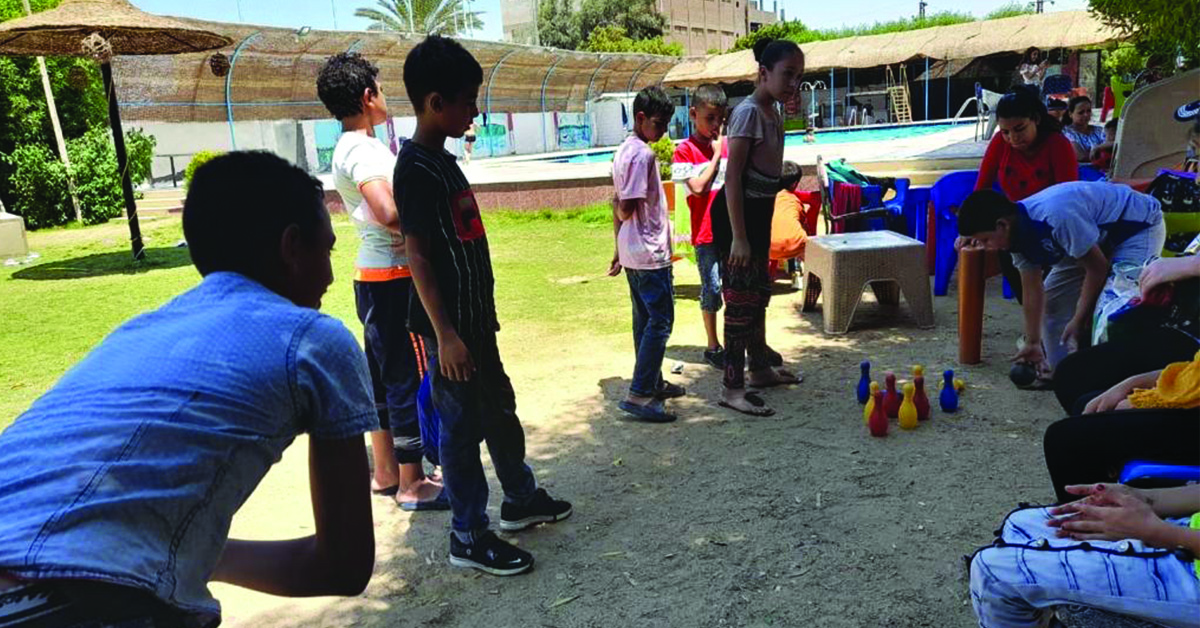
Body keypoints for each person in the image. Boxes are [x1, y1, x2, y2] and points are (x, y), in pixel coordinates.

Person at [0, 152, 377, 627]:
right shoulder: (312, 340)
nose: (328, 275)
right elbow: (342, 566)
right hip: (77, 604)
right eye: (328, 250)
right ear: (292, 246)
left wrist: (192, 553)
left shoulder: (137, 332)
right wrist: (204, 557)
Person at [395, 35, 571, 577]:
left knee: (499, 409)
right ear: (433, 102)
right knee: (461, 430)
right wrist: (445, 335)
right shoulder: (415, 170)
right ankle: (468, 534)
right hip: (449, 333)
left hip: (475, 324)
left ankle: (519, 498)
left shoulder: (443, 161)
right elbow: (418, 256)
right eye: (468, 100)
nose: (476, 110)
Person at [317, 52, 445, 511]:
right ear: (368, 96)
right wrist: (433, 223)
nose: (387, 97)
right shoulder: (363, 149)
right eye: (382, 89)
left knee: (383, 376)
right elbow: (388, 212)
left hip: (374, 277)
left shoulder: (350, 146)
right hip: (393, 278)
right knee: (405, 378)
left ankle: (386, 470)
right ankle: (413, 483)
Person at [957, 182, 1166, 378]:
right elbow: (1032, 290)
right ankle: (1061, 375)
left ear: (1002, 225)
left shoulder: (1056, 216)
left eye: (985, 240)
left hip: (1136, 228)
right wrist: (1033, 341)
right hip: (1091, 238)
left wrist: (1079, 319)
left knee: (1114, 308)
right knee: (1052, 304)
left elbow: (1097, 268)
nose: (987, 247)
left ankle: (1117, 379)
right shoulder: (1016, 236)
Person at [709, 38, 804, 417]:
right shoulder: (749, 112)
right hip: (738, 219)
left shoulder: (772, 111)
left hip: (758, 214)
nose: (794, 83)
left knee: (759, 295)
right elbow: (732, 179)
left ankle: (760, 369)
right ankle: (732, 388)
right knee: (740, 303)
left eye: (799, 76)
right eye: (787, 75)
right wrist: (741, 238)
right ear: (763, 73)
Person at [969, 483, 1200, 628]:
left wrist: (1155, 531)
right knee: (1020, 525)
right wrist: (1140, 497)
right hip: (1188, 528)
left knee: (994, 573)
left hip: (1191, 570)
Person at [608, 85, 683, 423]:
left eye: (667, 123)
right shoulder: (642, 155)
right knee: (661, 320)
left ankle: (651, 382)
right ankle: (639, 393)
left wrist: (617, 246)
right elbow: (623, 205)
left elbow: (616, 203)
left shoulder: (624, 149)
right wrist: (624, 218)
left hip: (632, 251)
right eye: (658, 123)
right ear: (640, 118)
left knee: (645, 320)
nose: (664, 130)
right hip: (648, 252)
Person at [973, 88, 1078, 305]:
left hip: (1054, 223)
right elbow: (982, 188)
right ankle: (1035, 326)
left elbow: (1068, 197)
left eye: (1019, 129)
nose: (1013, 138)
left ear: (1036, 120)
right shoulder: (999, 143)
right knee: (1008, 252)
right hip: (1017, 223)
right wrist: (970, 228)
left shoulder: (1057, 144)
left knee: (1055, 295)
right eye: (1005, 132)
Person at [672, 83, 728, 370]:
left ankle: (733, 340)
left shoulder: (727, 145)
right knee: (711, 287)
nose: (715, 125)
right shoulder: (684, 151)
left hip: (730, 232)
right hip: (705, 233)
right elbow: (697, 188)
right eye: (709, 119)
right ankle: (712, 344)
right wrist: (717, 156)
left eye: (720, 119)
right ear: (693, 114)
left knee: (732, 286)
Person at [769, 161, 809, 264]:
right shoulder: (794, 201)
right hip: (795, 246)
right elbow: (803, 222)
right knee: (803, 239)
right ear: (794, 184)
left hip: (767, 249)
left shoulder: (767, 198)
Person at [1061, 95, 1106, 163]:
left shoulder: (1099, 130)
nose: (1086, 115)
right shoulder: (1067, 133)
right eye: (1081, 112)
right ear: (1070, 114)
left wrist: (1098, 149)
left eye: (1088, 111)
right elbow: (1081, 156)